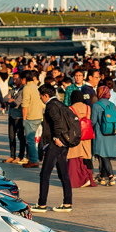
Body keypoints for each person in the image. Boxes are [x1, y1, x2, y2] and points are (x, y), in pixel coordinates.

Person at [33, 84, 74, 213]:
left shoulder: (51, 106)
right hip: (63, 144)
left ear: (46, 95)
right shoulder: (60, 104)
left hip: (55, 144)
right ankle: (67, 203)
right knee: (63, 174)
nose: (40, 98)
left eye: (41, 96)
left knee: (45, 174)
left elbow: (57, 122)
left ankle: (42, 204)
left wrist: (56, 137)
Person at [90, 85, 116, 186]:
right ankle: (102, 177)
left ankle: (111, 176)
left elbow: (93, 121)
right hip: (112, 133)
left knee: (104, 156)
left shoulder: (96, 105)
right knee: (104, 155)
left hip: (100, 134)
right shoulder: (112, 105)